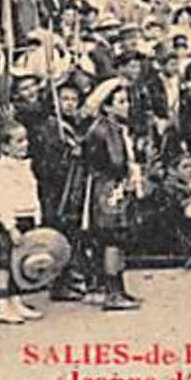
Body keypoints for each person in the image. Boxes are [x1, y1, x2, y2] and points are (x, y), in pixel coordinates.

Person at [82, 78, 142, 311]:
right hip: (109, 188)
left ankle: (114, 289)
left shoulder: (107, 127)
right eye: (120, 101)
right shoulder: (107, 130)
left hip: (104, 187)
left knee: (113, 239)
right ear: (107, 106)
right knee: (114, 238)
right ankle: (114, 292)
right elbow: (116, 161)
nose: (126, 105)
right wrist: (128, 174)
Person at [0, 120, 46, 325]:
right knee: (5, 263)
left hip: (26, 216)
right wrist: (10, 227)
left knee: (17, 262)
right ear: (4, 146)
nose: (24, 144)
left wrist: (36, 215)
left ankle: (15, 301)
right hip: (11, 220)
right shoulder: (1, 171)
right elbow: (0, 201)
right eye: (18, 141)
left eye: (25, 140)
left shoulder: (23, 166)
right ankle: (2, 305)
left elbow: (31, 192)